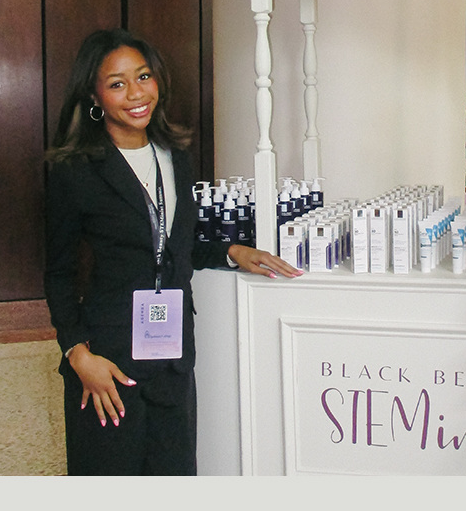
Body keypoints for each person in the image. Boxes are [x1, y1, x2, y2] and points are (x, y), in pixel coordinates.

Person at [44, 28, 302, 475]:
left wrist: (231, 251)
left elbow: (170, 243)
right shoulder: (76, 170)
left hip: (172, 353)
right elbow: (58, 271)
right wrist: (77, 354)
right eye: (117, 83)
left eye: (143, 76)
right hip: (109, 356)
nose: (136, 93)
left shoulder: (174, 155)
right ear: (95, 94)